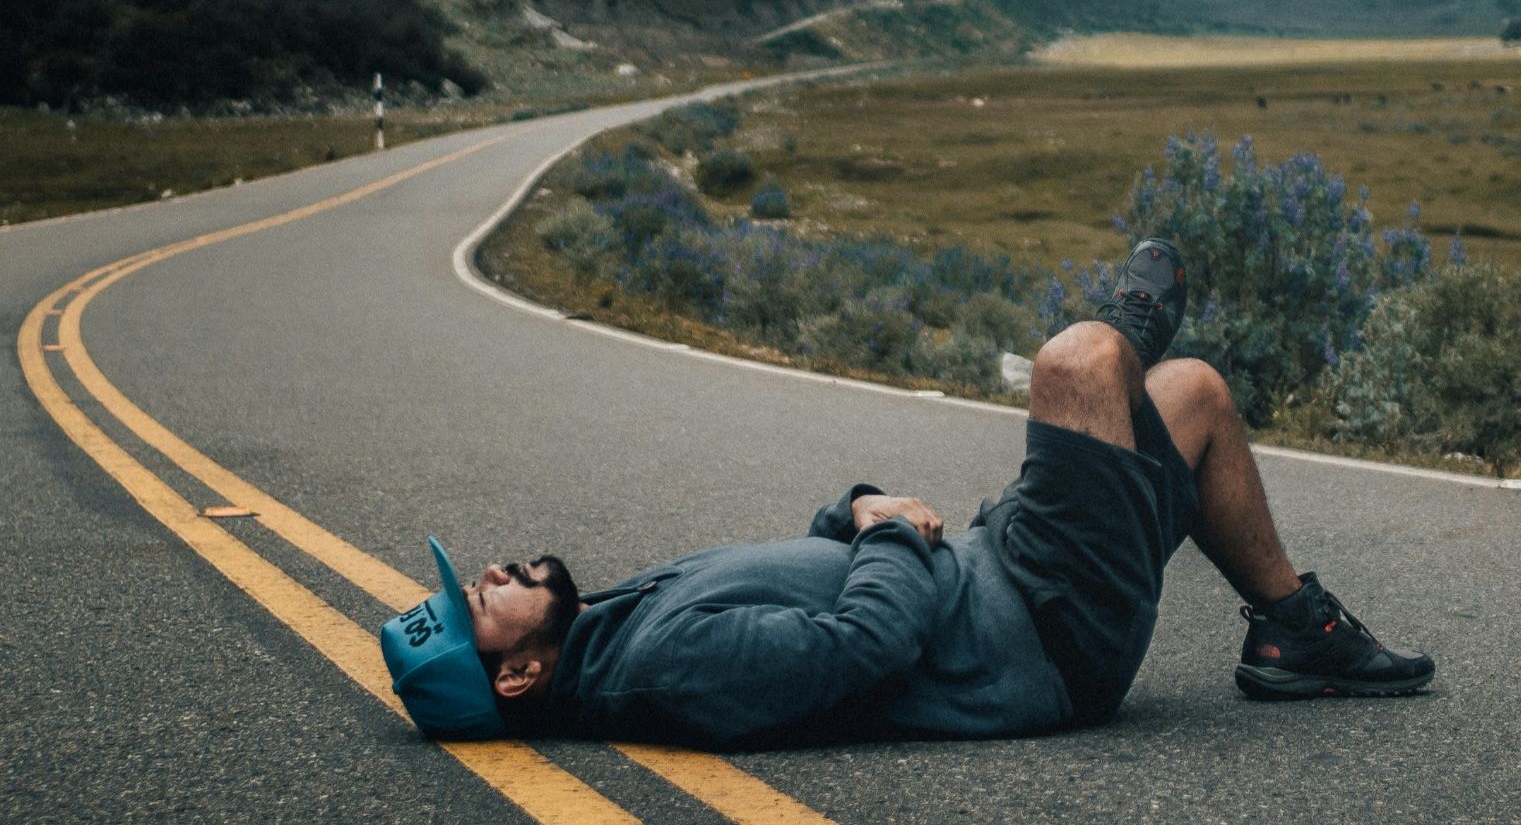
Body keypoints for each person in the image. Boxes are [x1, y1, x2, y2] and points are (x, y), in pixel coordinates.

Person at [382, 239, 1434, 746]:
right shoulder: (663, 666)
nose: (491, 572)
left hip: (997, 566)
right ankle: (1124, 328)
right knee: (1078, 364)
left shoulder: (614, 628)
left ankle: (1296, 631)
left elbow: (816, 574)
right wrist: (888, 535)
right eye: (480, 601)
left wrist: (858, 509)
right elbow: (859, 649)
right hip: (1045, 630)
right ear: (517, 676)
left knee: (1194, 398)